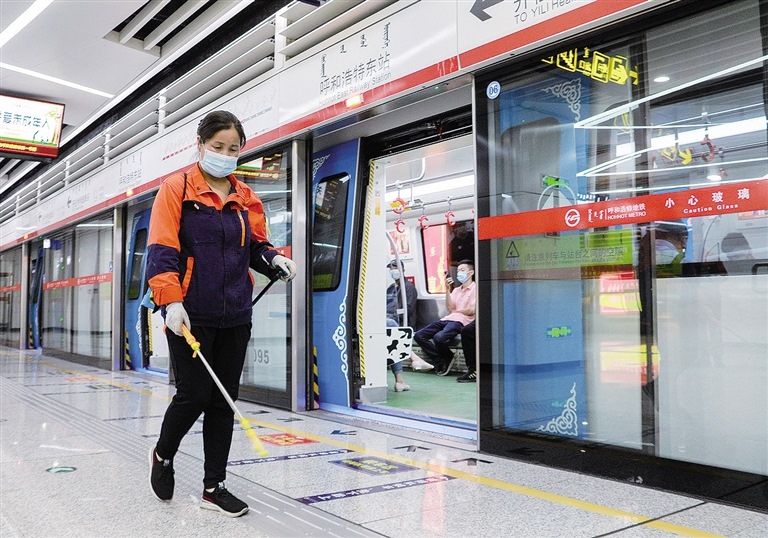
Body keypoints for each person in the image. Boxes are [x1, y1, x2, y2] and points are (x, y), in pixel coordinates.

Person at [145, 110, 297, 517]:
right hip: (189, 313)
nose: (226, 155)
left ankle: (214, 486)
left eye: (233, 149)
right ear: (200, 144)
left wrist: (274, 259)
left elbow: (256, 246)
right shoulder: (176, 188)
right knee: (194, 394)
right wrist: (170, 301)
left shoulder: (246, 196)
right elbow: (161, 250)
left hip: (236, 314)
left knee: (223, 400)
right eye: (218, 147)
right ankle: (162, 454)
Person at [413, 259, 476, 375]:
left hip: (461, 321)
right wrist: (447, 289)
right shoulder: (456, 290)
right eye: (458, 271)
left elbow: (471, 311)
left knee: (439, 337)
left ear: (471, 272)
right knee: (419, 335)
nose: (459, 273)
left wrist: (456, 311)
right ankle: (440, 360)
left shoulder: (475, 289)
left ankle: (446, 358)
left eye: (462, 270)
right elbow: (450, 308)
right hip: (447, 319)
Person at [385, 259, 418, 391]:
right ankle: (400, 380)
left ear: (402, 270)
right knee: (392, 338)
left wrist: (390, 314)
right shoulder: (390, 288)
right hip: (391, 322)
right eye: (391, 268)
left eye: (395, 268)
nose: (393, 271)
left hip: (403, 323)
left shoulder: (408, 288)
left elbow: (408, 309)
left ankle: (400, 380)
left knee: (393, 336)